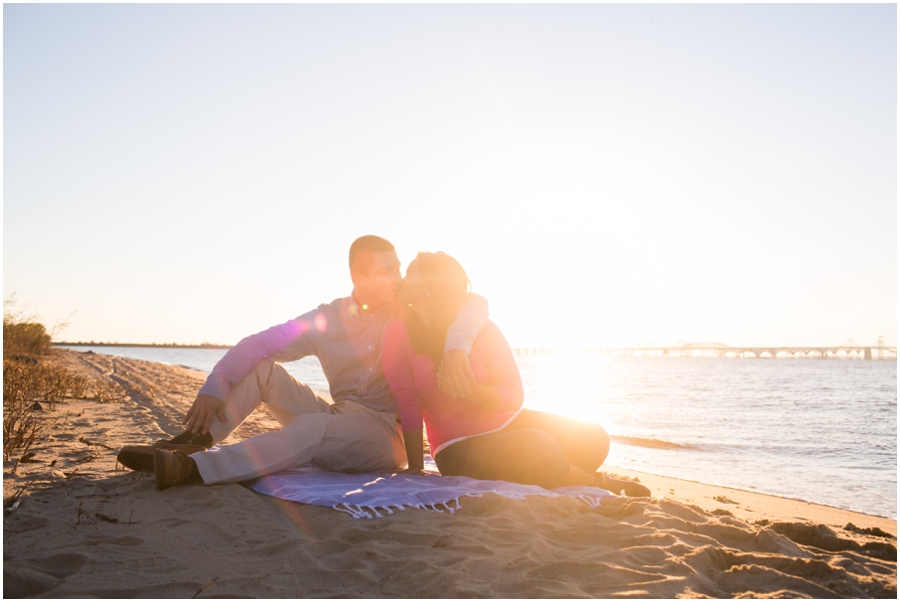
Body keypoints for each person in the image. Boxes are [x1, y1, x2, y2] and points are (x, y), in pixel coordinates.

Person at [118, 236, 489, 489]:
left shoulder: (405, 311)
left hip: (383, 435)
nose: (399, 277)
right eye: (388, 271)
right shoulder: (326, 319)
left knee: (312, 427)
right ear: (358, 277)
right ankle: (191, 444)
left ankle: (193, 469)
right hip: (338, 417)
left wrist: (457, 348)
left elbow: (473, 303)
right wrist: (216, 385)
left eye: (398, 268)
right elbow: (259, 343)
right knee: (263, 370)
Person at [381, 252, 650, 497]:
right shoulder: (398, 333)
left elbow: (513, 396)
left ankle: (555, 470)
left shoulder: (481, 328)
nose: (402, 280)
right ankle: (594, 481)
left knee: (593, 437)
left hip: (508, 423)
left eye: (410, 273)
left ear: (430, 286)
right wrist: (416, 465)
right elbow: (408, 402)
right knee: (541, 447)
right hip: (456, 446)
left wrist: (472, 391)